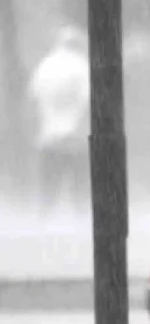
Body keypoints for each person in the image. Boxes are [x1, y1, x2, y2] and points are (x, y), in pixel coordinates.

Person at [28, 25, 91, 217]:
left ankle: (42, 221)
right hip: (75, 136)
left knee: (48, 184)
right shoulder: (81, 66)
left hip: (49, 135)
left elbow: (32, 96)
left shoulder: (45, 65)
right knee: (79, 186)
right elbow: (88, 99)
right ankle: (83, 220)